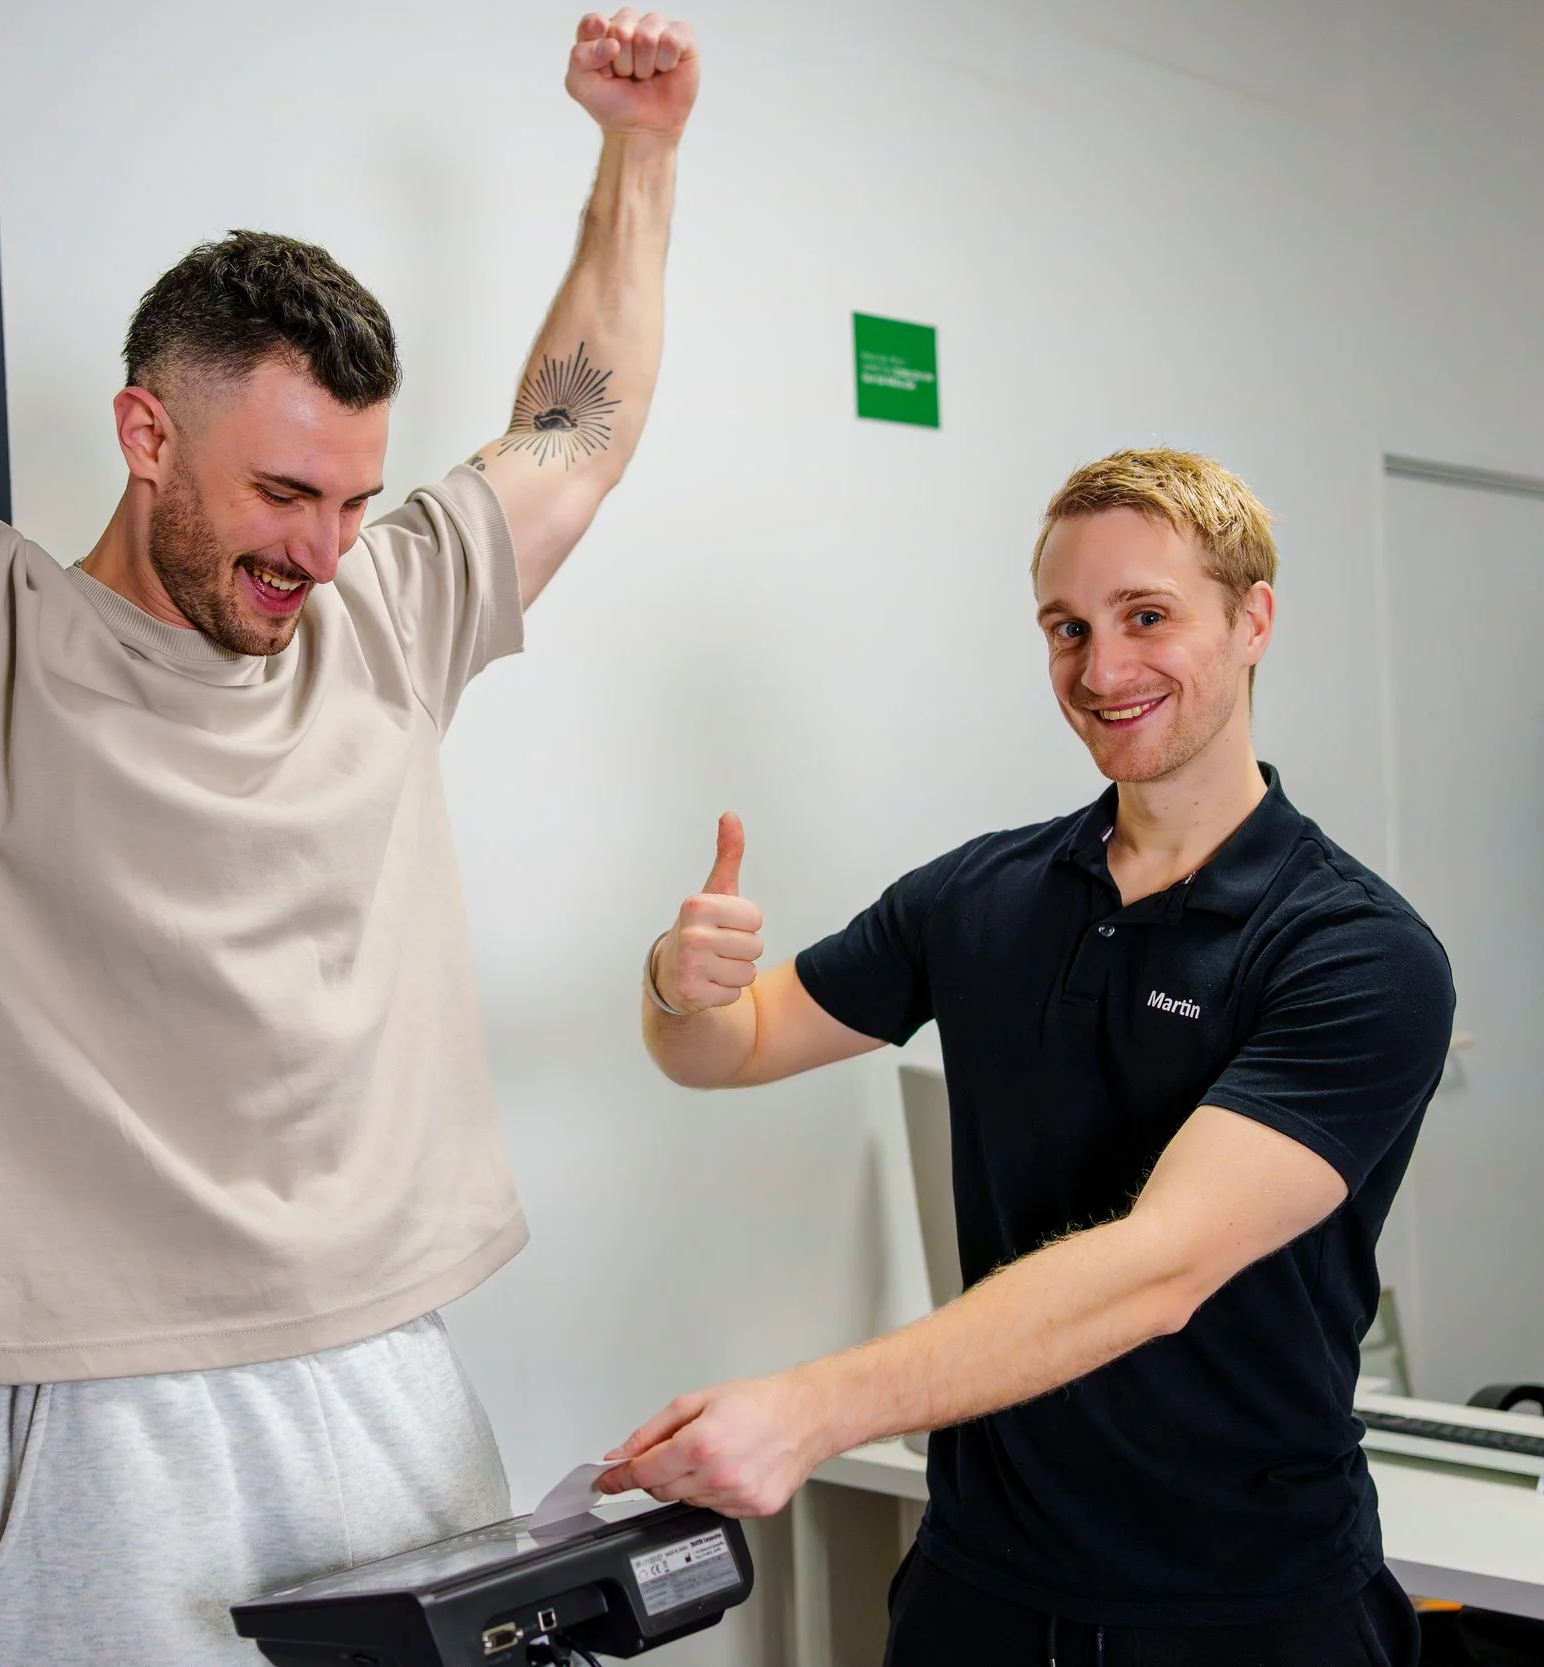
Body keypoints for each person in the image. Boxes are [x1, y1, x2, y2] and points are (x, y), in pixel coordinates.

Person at [0, 4, 699, 1660]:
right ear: (146, 433)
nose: (323, 549)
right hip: (108, 1420)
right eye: (282, 495)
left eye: (354, 499)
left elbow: (576, 434)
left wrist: (639, 155)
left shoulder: (383, 613)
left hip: (389, 1361)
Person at [606, 450, 1453, 1666]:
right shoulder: (982, 895)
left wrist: (812, 1408)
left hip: (1245, 1610)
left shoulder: (1355, 952)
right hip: (978, 1595)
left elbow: (1157, 1271)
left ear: (1252, 616)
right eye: (1067, 627)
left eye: (1146, 616)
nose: (1101, 671)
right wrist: (674, 984)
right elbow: (723, 1050)